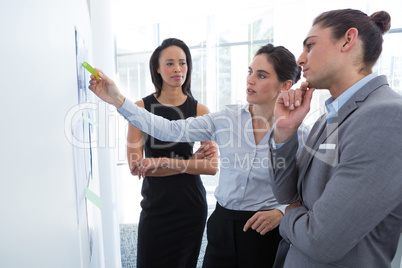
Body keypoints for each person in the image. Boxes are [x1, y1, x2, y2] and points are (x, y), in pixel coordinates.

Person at [88, 43, 308, 267]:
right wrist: (118, 100)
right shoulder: (226, 119)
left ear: (285, 85)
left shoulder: (299, 134)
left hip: (264, 229)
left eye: (261, 75)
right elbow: (169, 129)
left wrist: (281, 213)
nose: (250, 80)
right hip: (222, 224)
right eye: (250, 72)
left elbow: (310, 191)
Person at [271, 9, 402, 267]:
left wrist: (287, 218)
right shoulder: (327, 116)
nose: (300, 59)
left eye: (310, 45)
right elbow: (285, 193)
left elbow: (321, 240)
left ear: (347, 40)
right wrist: (284, 133)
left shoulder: (387, 116)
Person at [127, 38, 219, 268]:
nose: (178, 69)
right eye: (169, 63)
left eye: (183, 62)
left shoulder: (200, 110)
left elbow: (211, 167)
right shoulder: (140, 109)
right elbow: (136, 167)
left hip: (189, 207)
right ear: (157, 68)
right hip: (155, 206)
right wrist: (189, 163)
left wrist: (158, 164)